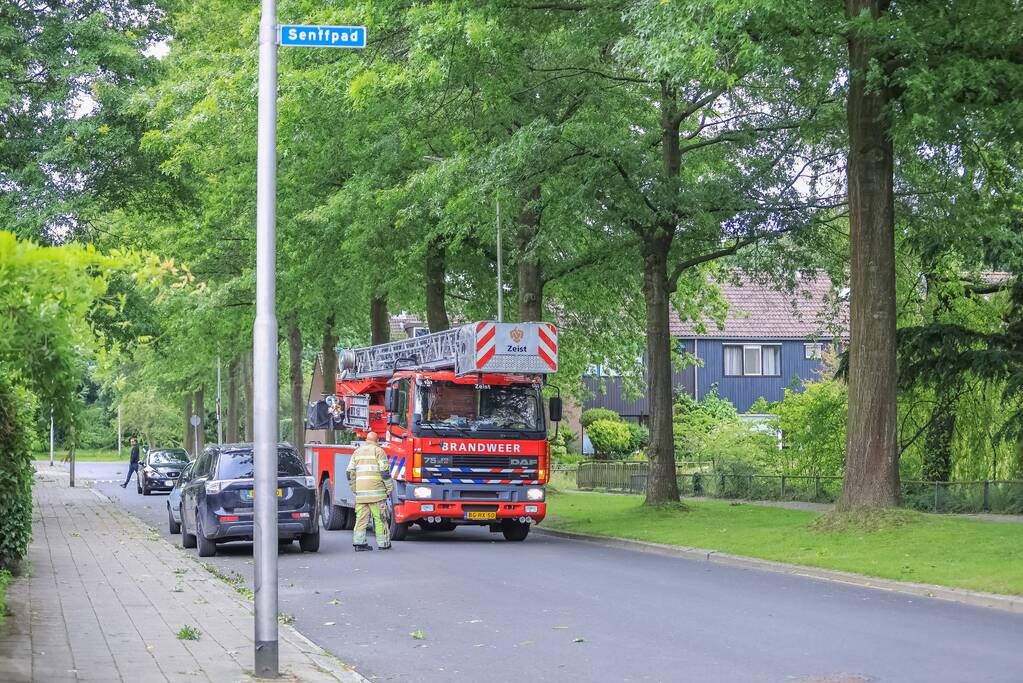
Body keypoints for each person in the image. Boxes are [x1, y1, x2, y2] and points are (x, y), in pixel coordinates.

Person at [346, 431, 393, 551]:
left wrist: (355, 489)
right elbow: (385, 473)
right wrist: (389, 488)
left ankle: (359, 543)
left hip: (361, 495)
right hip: (377, 495)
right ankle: (383, 543)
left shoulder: (357, 452)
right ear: (377, 441)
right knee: (380, 518)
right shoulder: (379, 451)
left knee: (361, 519)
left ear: (366, 440)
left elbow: (349, 472)